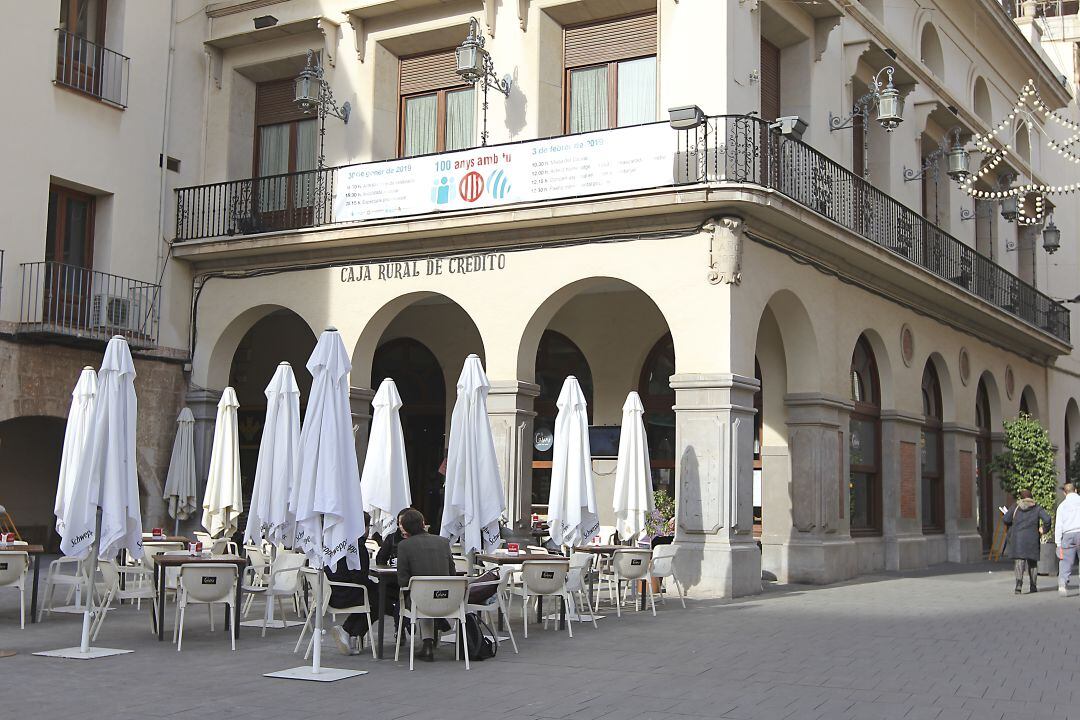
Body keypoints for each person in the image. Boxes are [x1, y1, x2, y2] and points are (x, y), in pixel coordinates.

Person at [396, 508, 455, 662]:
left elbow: (403, 581)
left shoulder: (404, 546)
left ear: (405, 528)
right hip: (448, 600)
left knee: (420, 596)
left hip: (420, 602)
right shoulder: (443, 542)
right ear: (423, 523)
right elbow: (452, 572)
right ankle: (428, 644)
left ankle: (427, 645)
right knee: (428, 593)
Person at [326, 514, 380, 656]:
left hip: (330, 593)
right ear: (363, 527)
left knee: (378, 596)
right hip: (346, 594)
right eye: (368, 526)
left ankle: (351, 634)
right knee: (380, 599)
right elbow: (360, 578)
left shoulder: (335, 542)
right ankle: (349, 631)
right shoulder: (357, 546)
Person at [1003, 489, 1051, 594]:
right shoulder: (1037, 508)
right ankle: (1033, 586)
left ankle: (1018, 586)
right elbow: (1047, 519)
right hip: (1032, 538)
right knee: (1032, 562)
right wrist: (1044, 529)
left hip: (1018, 538)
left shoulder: (1015, 506)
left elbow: (1006, 519)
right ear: (1031, 497)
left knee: (1019, 562)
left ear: (1022, 497)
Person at [1057, 483, 1080, 595]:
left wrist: (1058, 543)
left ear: (1064, 492)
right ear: (1075, 490)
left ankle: (1062, 584)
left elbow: (1058, 526)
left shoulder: (1062, 506)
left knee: (1065, 561)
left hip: (1067, 535)